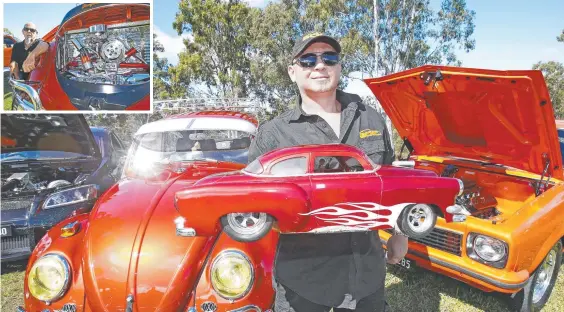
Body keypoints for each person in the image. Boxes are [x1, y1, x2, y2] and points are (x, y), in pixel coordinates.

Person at [248, 33, 409, 312]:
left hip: (366, 274)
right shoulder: (273, 134)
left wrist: (400, 234)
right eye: (308, 59)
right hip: (304, 282)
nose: (319, 66)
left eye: (329, 58)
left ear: (339, 66)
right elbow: (252, 204)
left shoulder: (369, 117)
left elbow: (391, 183)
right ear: (292, 71)